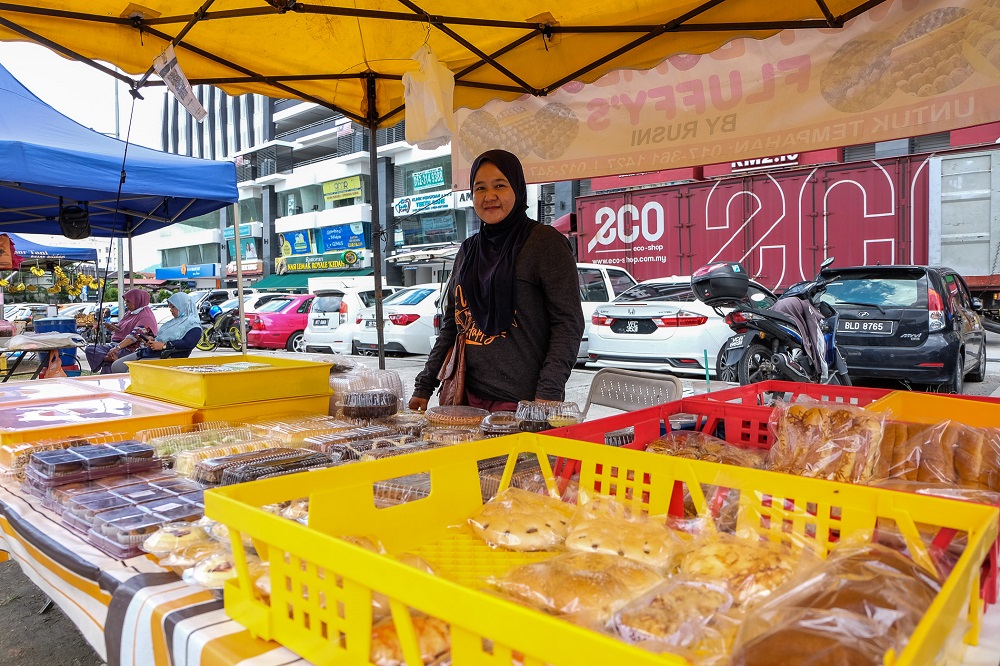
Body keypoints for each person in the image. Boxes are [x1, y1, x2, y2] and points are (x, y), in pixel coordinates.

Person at [409, 149, 584, 413]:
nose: (489, 196)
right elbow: (452, 325)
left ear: (517, 188)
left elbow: (568, 324)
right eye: (479, 188)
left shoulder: (544, 243)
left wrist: (548, 392)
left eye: (499, 185)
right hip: (465, 397)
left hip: (523, 403)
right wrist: (424, 387)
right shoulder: (468, 250)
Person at [110, 292, 203, 373]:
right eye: (170, 307)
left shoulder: (194, 326)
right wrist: (152, 340)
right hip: (150, 352)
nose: (171, 310)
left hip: (166, 357)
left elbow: (188, 343)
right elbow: (161, 338)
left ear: (183, 306)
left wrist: (164, 345)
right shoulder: (172, 323)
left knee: (132, 372)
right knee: (116, 366)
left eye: (173, 307)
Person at [84, 288, 158, 374]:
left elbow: (135, 335)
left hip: (130, 349)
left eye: (128, 302)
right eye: (126, 302)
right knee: (91, 349)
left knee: (110, 361)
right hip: (116, 345)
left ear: (137, 300)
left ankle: (111, 359)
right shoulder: (129, 313)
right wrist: (114, 328)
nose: (126, 304)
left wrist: (117, 348)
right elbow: (123, 328)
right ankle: (108, 358)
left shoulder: (146, 316)